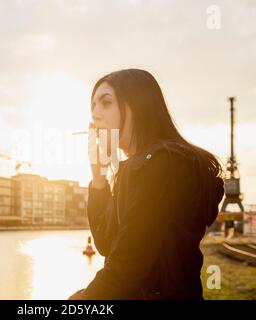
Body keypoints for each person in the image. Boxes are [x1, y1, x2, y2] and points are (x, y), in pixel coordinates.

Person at [68, 69, 225, 300]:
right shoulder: (134, 168)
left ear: (136, 106)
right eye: (93, 106)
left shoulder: (163, 165)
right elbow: (107, 246)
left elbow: (126, 266)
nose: (94, 115)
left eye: (106, 103)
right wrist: (99, 177)